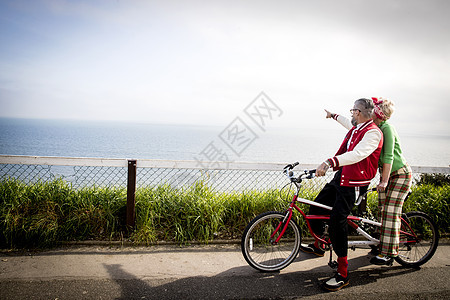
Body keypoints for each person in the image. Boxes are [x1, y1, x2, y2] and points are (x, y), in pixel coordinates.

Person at [299, 98, 383, 292]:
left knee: (338, 221)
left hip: (354, 183)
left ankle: (343, 273)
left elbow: (358, 154)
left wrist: (330, 162)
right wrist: (333, 116)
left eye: (353, 110)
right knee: (316, 207)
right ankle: (319, 245)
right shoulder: (357, 127)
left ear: (360, 112)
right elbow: (347, 122)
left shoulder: (372, 133)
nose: (351, 113)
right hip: (342, 177)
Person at [369, 97, 412, 266]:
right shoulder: (376, 127)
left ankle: (388, 254)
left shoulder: (387, 128)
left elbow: (388, 156)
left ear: (378, 113)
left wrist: (384, 181)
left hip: (399, 174)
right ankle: (383, 245)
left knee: (390, 212)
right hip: (387, 174)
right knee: (382, 210)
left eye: (373, 110)